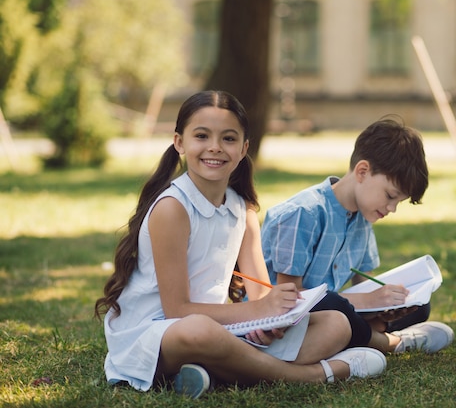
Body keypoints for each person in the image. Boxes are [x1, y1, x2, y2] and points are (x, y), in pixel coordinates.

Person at [93, 90, 386, 399]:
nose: (215, 148)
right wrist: (258, 309)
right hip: (158, 333)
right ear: (180, 142)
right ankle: (309, 376)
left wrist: (273, 322)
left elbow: (260, 292)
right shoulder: (172, 208)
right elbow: (176, 310)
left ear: (245, 147)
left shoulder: (241, 210)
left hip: (221, 329)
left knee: (336, 324)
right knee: (199, 330)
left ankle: (210, 374)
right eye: (202, 136)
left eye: (229, 139)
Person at [261, 117, 454, 355]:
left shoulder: (363, 216)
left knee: (419, 305)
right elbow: (291, 299)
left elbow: (364, 284)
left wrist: (387, 305)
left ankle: (369, 331)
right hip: (287, 318)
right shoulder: (303, 213)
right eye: (390, 196)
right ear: (363, 171)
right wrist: (370, 301)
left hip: (335, 313)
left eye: (399, 202)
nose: (392, 208)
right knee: (333, 303)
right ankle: (389, 342)